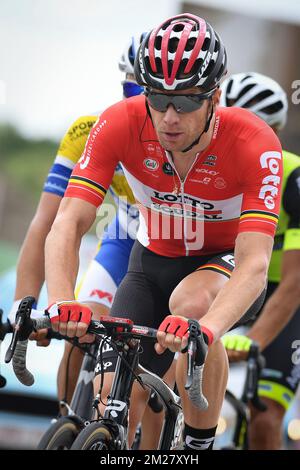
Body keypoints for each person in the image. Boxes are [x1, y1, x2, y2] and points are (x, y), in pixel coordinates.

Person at [44, 13, 283, 450]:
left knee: (189, 304)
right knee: (108, 394)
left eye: (188, 101)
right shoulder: (121, 121)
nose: (170, 116)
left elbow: (255, 264)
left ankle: (197, 444)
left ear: (215, 97)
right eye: (158, 98)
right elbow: (68, 222)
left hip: (222, 269)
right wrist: (61, 302)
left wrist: (207, 329)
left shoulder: (254, 142)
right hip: (150, 262)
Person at [8, 33, 146, 407]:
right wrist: (29, 304)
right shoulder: (90, 131)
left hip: (176, 246)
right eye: (130, 88)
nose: (139, 104)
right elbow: (48, 223)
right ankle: (68, 426)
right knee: (79, 328)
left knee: (146, 379)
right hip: (124, 237)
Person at [220, 72, 300, 450]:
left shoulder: (291, 176)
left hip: (286, 296)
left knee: (265, 416)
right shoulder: (208, 167)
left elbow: (296, 281)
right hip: (233, 286)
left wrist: (253, 341)